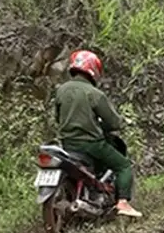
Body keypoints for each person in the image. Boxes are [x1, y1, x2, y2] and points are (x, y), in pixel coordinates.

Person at [55, 50, 142, 218]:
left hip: (67, 144)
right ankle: (123, 203)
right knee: (123, 166)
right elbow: (114, 123)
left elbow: (58, 118)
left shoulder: (61, 90)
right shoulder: (95, 94)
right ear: (93, 69)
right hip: (91, 144)